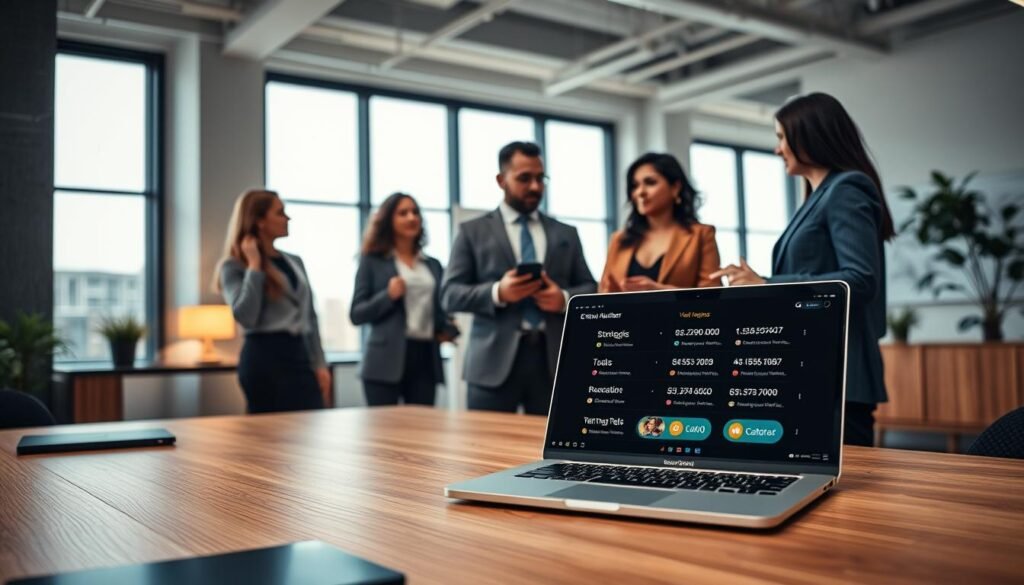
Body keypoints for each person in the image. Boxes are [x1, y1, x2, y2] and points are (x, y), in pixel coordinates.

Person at [710, 92, 894, 446]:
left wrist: (767, 283)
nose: (778, 149)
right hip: (813, 369)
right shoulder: (819, 196)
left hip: (838, 374)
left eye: (782, 137)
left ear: (809, 135)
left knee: (845, 496)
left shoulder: (846, 189)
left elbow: (859, 279)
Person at [441, 141, 597, 414]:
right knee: (486, 452)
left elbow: (591, 288)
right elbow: (449, 295)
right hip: (491, 366)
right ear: (501, 180)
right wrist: (498, 292)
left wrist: (562, 299)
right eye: (525, 178)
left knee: (550, 451)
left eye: (541, 178)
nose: (536, 187)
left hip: (554, 364)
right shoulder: (472, 231)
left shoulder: (566, 234)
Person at [214, 188, 330, 414]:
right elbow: (245, 316)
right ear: (259, 221)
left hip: (300, 355)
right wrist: (255, 266)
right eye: (280, 212)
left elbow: (311, 318)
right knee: (268, 437)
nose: (287, 218)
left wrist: (320, 363)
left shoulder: (295, 261)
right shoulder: (233, 266)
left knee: (311, 426)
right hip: (265, 358)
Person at [350, 193, 458, 406]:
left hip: (425, 357)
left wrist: (448, 330)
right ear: (388, 220)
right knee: (383, 433)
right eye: (403, 213)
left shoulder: (433, 265)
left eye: (415, 212)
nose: (411, 217)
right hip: (383, 360)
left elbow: (440, 310)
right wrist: (387, 296)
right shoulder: (372, 261)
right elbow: (357, 314)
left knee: (422, 430)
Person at [600, 153, 721, 292]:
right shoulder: (618, 240)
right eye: (635, 186)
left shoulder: (701, 235)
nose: (640, 192)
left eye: (650, 183)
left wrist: (660, 291)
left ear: (675, 187)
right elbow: (602, 294)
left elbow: (712, 297)